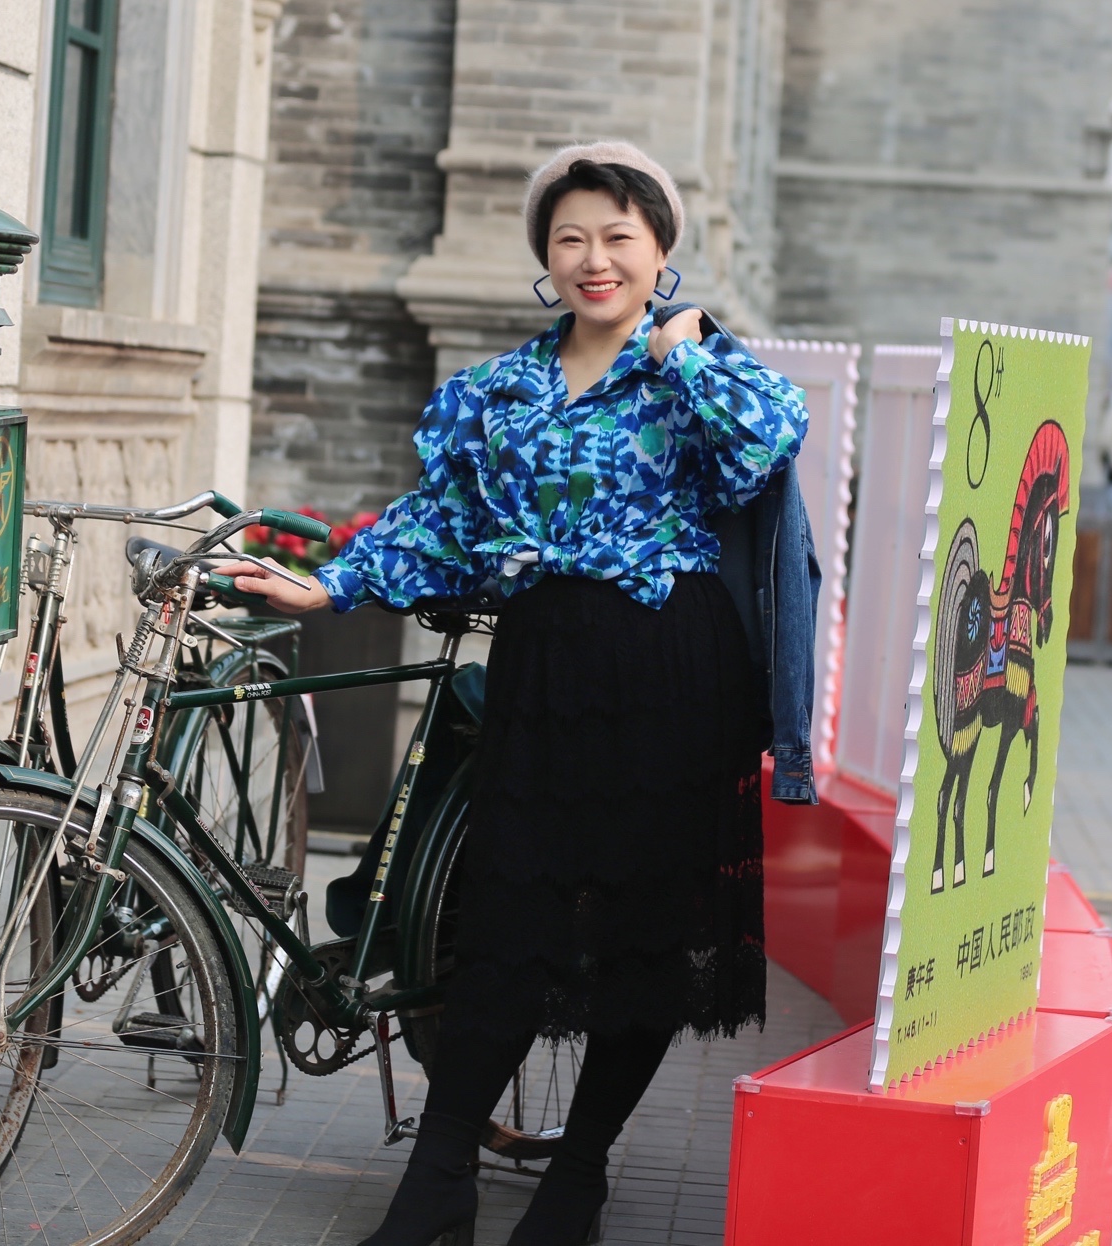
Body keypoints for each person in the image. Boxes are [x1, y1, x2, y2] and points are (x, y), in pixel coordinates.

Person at [231, 142, 809, 1246]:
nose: (595, 259)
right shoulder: (497, 392)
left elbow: (765, 447)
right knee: (505, 922)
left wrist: (685, 350)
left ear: (661, 252)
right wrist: (331, 583)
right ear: (546, 255)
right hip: (545, 672)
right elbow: (440, 523)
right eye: (570, 238)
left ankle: (576, 1180)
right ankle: (437, 1178)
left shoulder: (697, 371)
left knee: (642, 933)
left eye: (619, 237)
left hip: (674, 673)